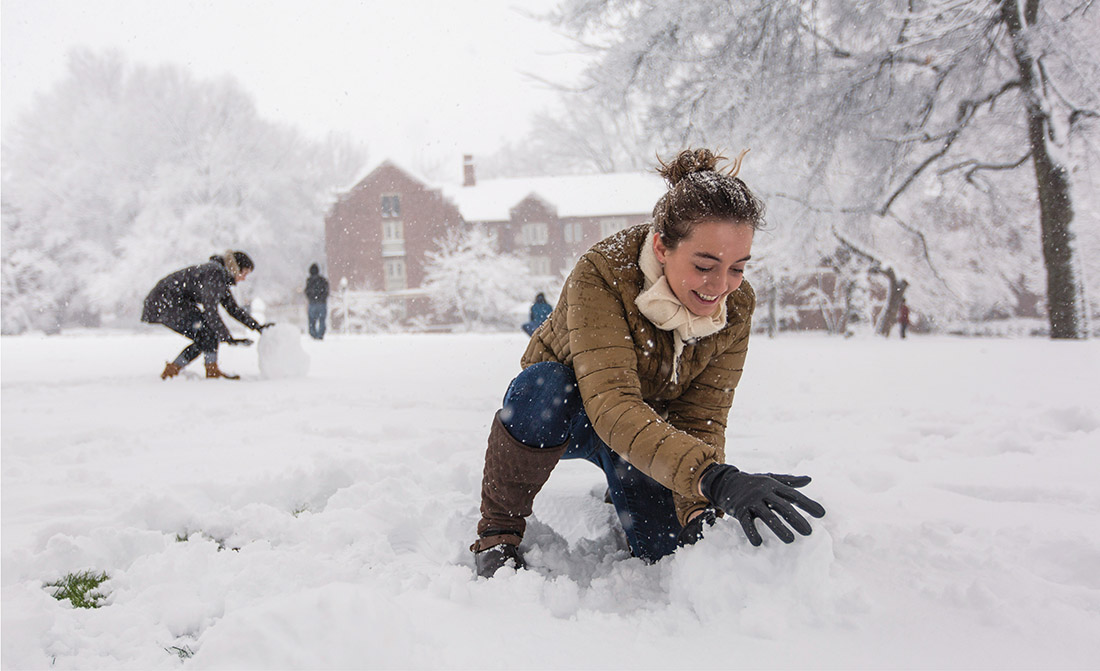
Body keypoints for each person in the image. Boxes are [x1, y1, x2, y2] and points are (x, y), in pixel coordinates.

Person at [471, 148, 826, 578]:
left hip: (646, 428)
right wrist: (715, 479)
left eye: (737, 268)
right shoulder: (602, 274)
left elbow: (701, 417)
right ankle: (498, 531)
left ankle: (623, 482)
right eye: (704, 265)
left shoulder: (736, 306)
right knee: (543, 386)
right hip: (572, 413)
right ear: (661, 246)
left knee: (665, 552)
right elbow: (612, 404)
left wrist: (699, 509)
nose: (720, 286)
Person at [142, 250, 273, 380]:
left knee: (205, 336)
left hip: (165, 303)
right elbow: (211, 310)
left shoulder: (219, 277)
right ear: (235, 268)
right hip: (165, 302)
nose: (243, 279)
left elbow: (233, 309)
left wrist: (257, 327)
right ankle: (208, 371)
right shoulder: (214, 274)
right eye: (244, 273)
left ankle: (174, 370)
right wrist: (227, 337)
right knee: (207, 332)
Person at [305, 263, 330, 340]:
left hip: (313, 303)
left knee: (312, 320)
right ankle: (320, 334)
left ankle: (313, 334)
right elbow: (326, 290)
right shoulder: (323, 280)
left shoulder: (309, 281)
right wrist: (322, 298)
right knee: (322, 320)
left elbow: (307, 291)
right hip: (321, 303)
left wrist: (311, 297)